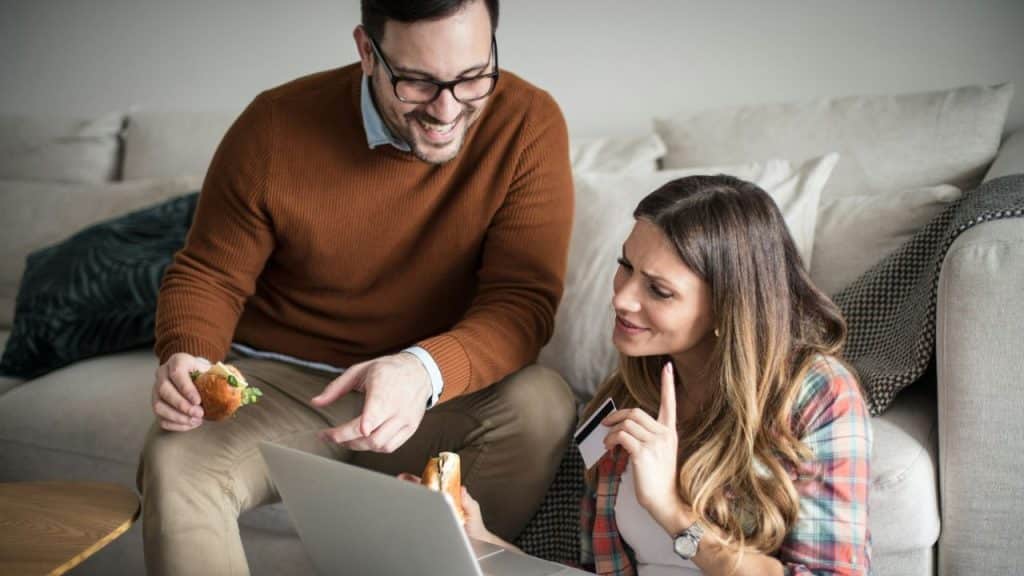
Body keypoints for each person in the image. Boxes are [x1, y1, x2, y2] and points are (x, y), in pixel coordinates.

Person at [136, 1, 577, 574]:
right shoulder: (274, 125)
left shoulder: (527, 123)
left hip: (432, 398)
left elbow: (522, 303)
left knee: (540, 403)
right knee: (174, 461)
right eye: (417, 82)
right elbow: (209, 274)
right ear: (367, 52)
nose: (448, 109)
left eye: (472, 77)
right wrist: (188, 353)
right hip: (282, 386)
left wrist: (421, 369)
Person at [445, 175, 873, 575]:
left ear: (729, 307)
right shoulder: (624, 397)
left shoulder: (819, 393)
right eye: (625, 265)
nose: (622, 298)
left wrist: (670, 509)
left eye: (659, 290)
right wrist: (481, 541)